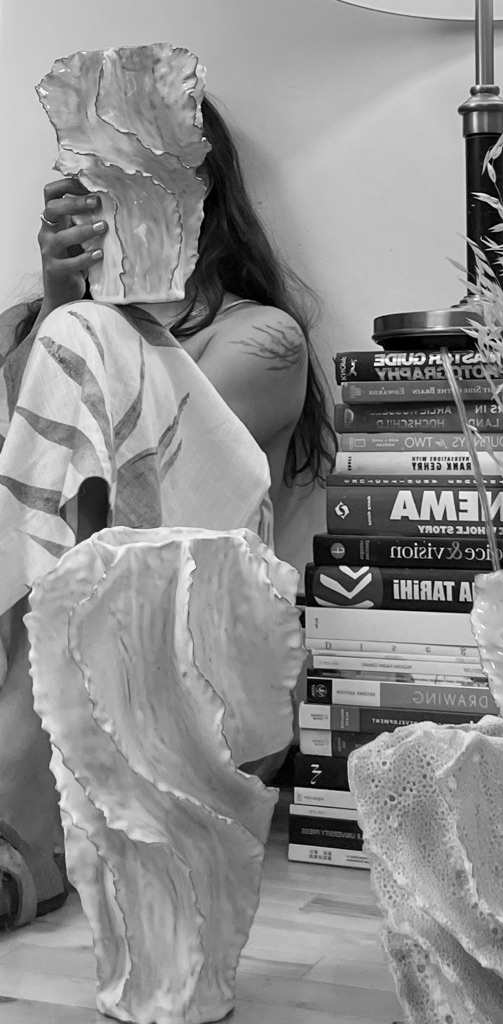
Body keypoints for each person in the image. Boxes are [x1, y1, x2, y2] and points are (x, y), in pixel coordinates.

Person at [0, 95, 336, 929]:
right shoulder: (32, 330)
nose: (111, 198)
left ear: (198, 193)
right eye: (89, 177)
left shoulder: (262, 341)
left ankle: (18, 825)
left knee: (82, 341)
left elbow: (135, 495)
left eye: (141, 176)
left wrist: (77, 314)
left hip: (181, 672)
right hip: (34, 656)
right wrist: (55, 298)